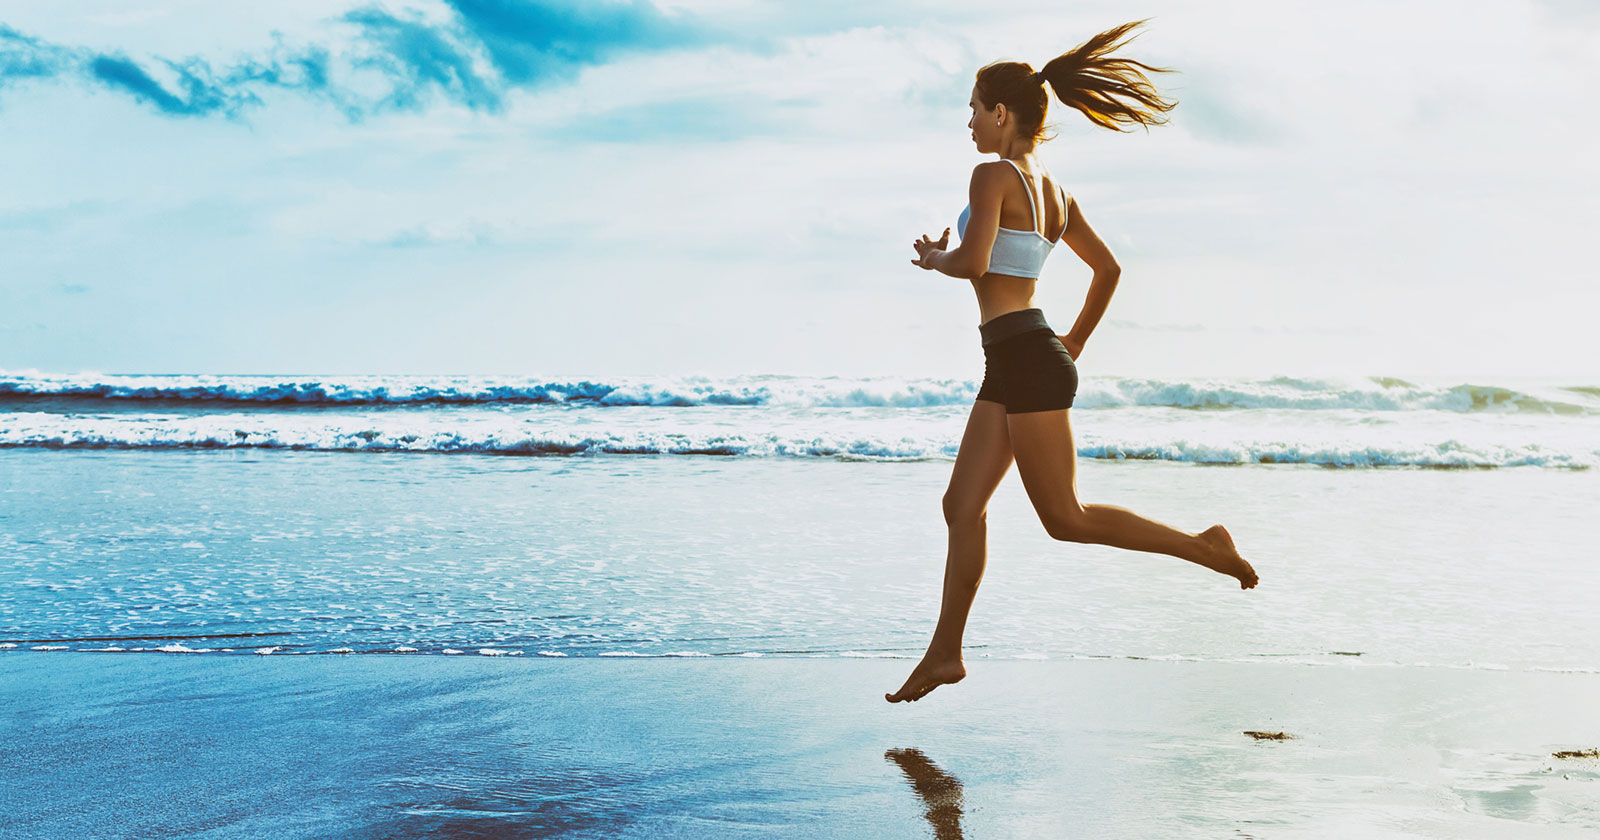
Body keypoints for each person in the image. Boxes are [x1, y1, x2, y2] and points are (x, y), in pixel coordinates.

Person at [889, 19, 1259, 705]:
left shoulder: (991, 174)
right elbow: (1107, 269)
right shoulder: (1055, 193)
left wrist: (937, 256)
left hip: (1027, 359)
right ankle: (945, 654)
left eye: (974, 108)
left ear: (1002, 114)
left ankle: (1205, 546)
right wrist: (1076, 342)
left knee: (1066, 518)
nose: (968, 122)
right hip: (1020, 356)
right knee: (961, 505)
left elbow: (974, 263)